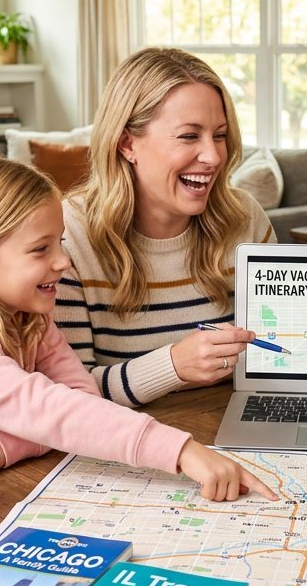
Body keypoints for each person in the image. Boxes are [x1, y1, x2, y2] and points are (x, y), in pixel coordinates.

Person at [0, 152, 274, 503]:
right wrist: (180, 451)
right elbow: (51, 412)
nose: (63, 262)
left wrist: (0, 447)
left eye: (60, 243)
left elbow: (78, 398)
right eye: (40, 249)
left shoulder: (28, 315)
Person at [54, 48, 275, 407]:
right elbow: (67, 392)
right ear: (127, 144)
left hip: (228, 427)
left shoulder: (246, 219)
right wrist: (172, 365)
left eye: (219, 135)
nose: (214, 156)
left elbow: (276, 357)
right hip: (123, 444)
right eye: (189, 136)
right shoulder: (68, 236)